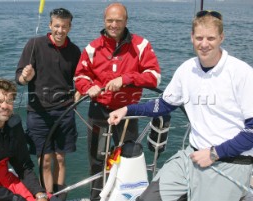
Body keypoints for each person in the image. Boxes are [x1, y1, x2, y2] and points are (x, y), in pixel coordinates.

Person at [108, 10, 253, 201]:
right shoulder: (187, 69)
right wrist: (127, 109)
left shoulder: (241, 73)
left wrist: (214, 154)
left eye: (210, 38)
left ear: (221, 38)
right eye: (199, 37)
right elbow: (164, 104)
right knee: (148, 199)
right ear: (192, 37)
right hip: (191, 157)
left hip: (230, 162)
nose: (204, 44)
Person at [73, 3, 161, 200]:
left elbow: (154, 76)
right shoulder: (92, 48)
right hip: (98, 112)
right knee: (97, 160)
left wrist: (126, 79)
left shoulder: (141, 45)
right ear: (104, 21)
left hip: (127, 112)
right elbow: (80, 77)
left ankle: (126, 196)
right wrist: (88, 88)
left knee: (128, 157)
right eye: (110, 20)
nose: (114, 24)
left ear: (126, 21)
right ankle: (97, 197)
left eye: (118, 20)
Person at [15, 8, 81, 200]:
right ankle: (48, 195)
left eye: (65, 26)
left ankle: (60, 195)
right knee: (44, 161)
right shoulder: (34, 44)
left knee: (60, 158)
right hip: (38, 112)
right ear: (50, 25)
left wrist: (79, 91)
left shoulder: (75, 50)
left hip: (65, 111)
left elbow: (81, 78)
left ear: (70, 27)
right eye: (57, 26)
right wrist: (25, 77)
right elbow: (19, 77)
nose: (60, 30)